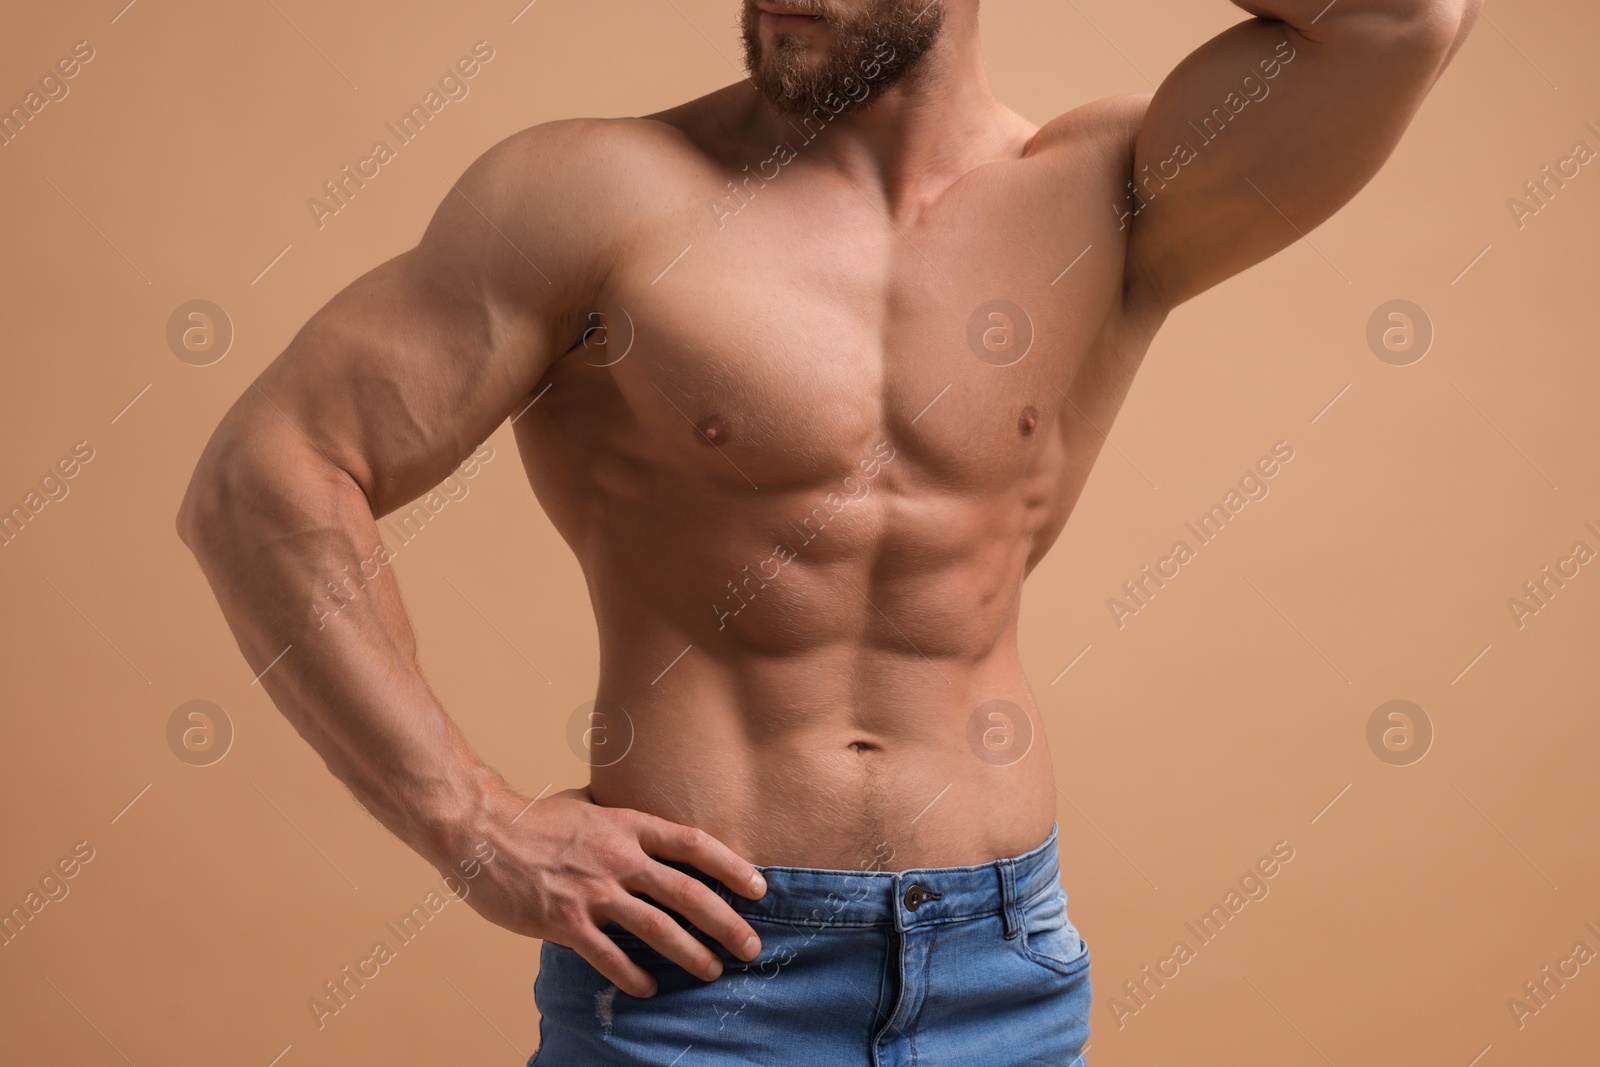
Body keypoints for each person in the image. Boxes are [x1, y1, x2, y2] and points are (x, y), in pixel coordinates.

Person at [177, 1, 1480, 1062]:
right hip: (703, 982)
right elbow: (264, 476)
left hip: (1002, 978)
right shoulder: (600, 196)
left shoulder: (1111, 195)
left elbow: (1401, 20)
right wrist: (471, 825)